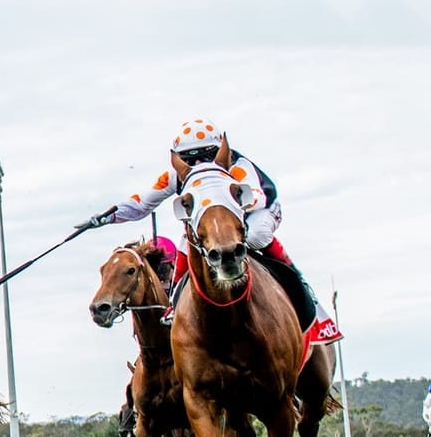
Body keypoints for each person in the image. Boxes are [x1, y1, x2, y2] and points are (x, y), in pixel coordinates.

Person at [76, 118, 342, 351]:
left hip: (258, 212)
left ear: (219, 152)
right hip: (214, 222)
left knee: (257, 237)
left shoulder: (237, 166)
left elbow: (255, 195)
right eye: (190, 159)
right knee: (186, 242)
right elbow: (143, 203)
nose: (199, 164)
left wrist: (223, 218)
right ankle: (174, 307)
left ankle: (302, 293)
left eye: (207, 156)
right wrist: (105, 217)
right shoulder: (176, 175)